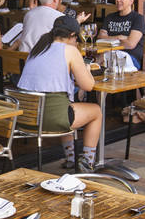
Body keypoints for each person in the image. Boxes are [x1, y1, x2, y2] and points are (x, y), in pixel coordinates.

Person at [16, 15, 104, 172]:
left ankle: (71, 159)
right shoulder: (70, 50)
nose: (77, 43)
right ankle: (87, 162)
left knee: (66, 106)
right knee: (96, 111)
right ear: (72, 36)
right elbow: (88, 85)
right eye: (77, 39)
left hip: (26, 117)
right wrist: (88, 70)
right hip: (52, 117)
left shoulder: (38, 48)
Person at [14, 0, 91, 52]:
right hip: (42, 62)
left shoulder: (28, 14)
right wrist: (78, 21)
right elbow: (68, 41)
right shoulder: (59, 17)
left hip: (24, 61)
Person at [98, 0, 145, 70]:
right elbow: (100, 38)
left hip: (130, 59)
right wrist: (119, 37)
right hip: (109, 55)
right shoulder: (110, 17)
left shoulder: (138, 18)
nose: (118, 0)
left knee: (102, 64)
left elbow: (130, 44)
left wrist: (109, 40)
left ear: (131, 1)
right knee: (94, 63)